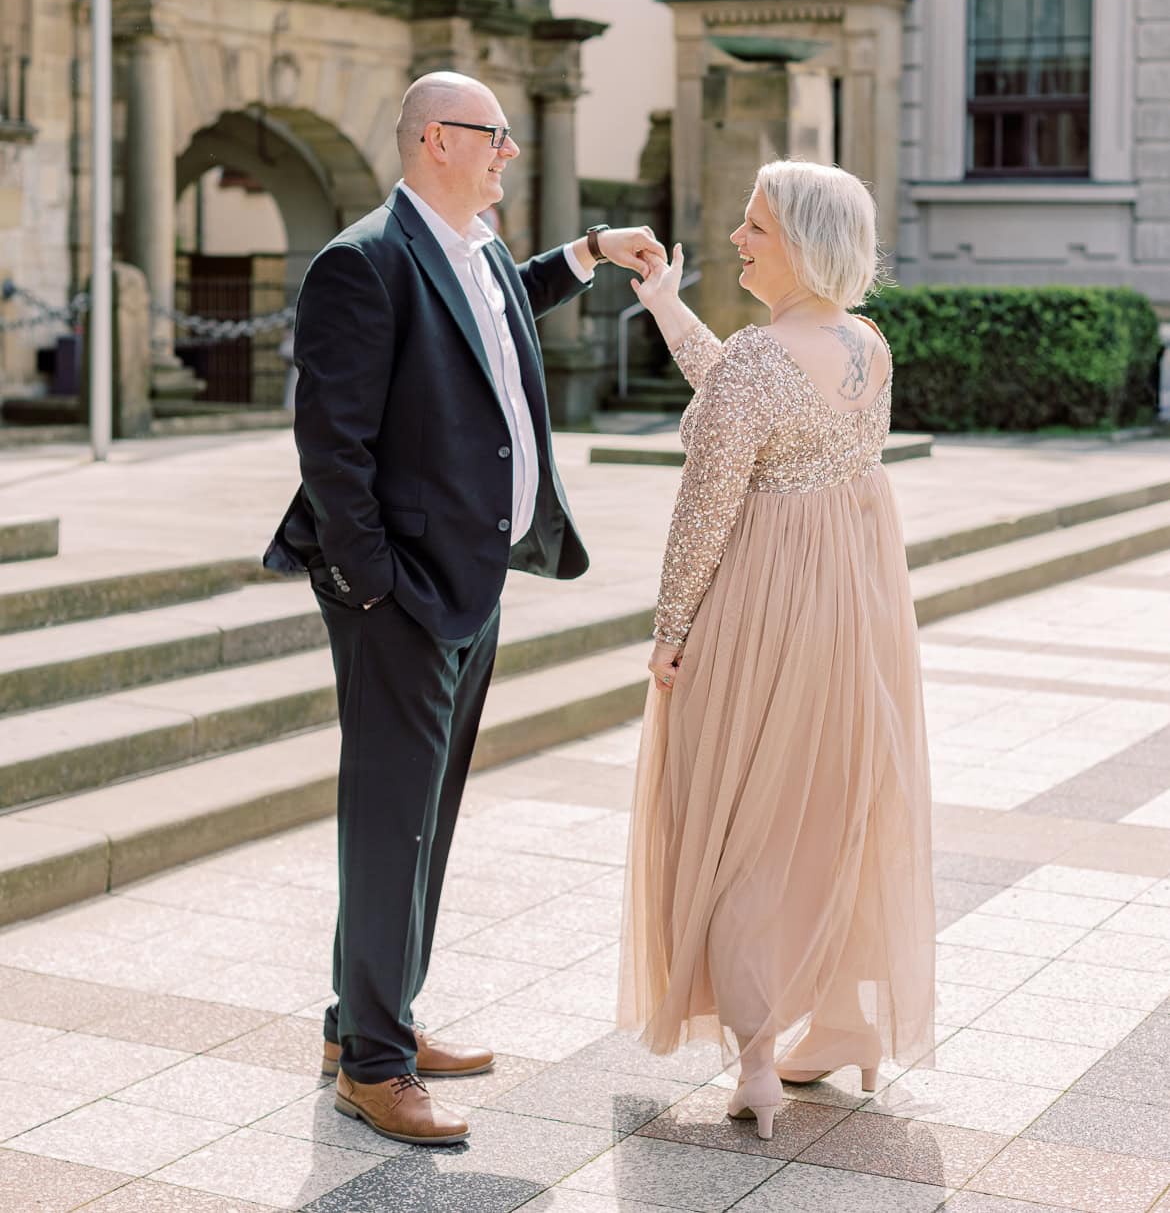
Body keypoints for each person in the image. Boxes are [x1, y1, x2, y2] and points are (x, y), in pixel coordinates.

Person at [264, 71, 665, 1147]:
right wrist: (371, 582)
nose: (510, 153)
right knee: (390, 816)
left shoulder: (474, 252)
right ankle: (377, 1069)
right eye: (495, 137)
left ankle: (366, 1019)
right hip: (402, 592)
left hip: (471, 583)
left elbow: (496, 310)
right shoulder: (361, 263)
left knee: (422, 817)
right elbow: (331, 446)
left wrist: (586, 255)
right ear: (438, 140)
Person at [618, 158, 935, 1140]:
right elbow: (742, 388)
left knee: (740, 817)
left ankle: (756, 1059)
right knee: (827, 806)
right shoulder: (865, 346)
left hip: (763, 603)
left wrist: (671, 633)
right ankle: (845, 1024)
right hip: (850, 602)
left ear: (799, 240)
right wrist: (668, 307)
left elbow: (704, 506)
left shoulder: (763, 359)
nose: (736, 240)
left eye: (754, 226)